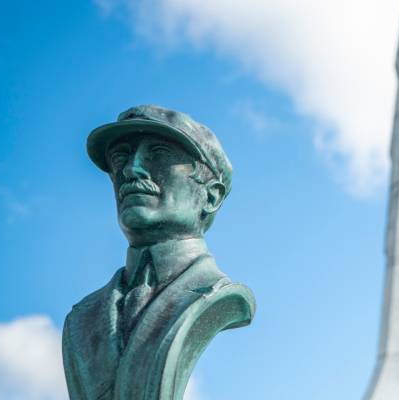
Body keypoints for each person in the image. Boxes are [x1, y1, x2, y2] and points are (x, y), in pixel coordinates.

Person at [62, 105, 255, 400]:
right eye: (121, 157)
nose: (131, 169)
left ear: (211, 196)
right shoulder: (81, 318)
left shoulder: (216, 292)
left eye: (159, 154)